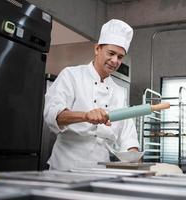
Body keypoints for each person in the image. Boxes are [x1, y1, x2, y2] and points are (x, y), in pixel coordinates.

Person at [44, 19, 139, 170]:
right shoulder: (71, 75)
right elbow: (52, 114)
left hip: (100, 169)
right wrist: (85, 116)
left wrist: (133, 155)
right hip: (66, 166)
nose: (115, 61)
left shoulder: (119, 92)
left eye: (120, 57)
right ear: (97, 49)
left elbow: (127, 132)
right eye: (111, 53)